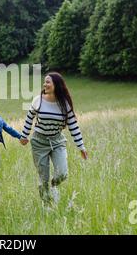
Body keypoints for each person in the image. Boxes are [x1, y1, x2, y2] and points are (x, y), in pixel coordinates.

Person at [20, 72, 88, 209]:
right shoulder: (38, 100)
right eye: (44, 82)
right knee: (43, 178)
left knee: (62, 173)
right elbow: (29, 118)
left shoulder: (64, 104)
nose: (45, 84)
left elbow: (73, 126)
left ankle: (54, 186)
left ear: (56, 85)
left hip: (57, 141)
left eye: (48, 82)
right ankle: (47, 207)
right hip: (39, 142)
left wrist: (81, 147)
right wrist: (24, 135)